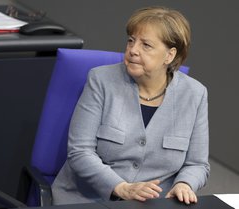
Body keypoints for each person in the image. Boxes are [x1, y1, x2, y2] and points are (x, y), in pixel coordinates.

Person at [51, 6, 210, 205]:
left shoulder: (195, 94)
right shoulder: (101, 81)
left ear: (169, 56)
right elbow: (80, 152)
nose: (133, 50)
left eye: (146, 45)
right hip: (90, 199)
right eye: (131, 41)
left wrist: (185, 184)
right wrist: (122, 188)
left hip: (154, 203)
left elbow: (197, 164)